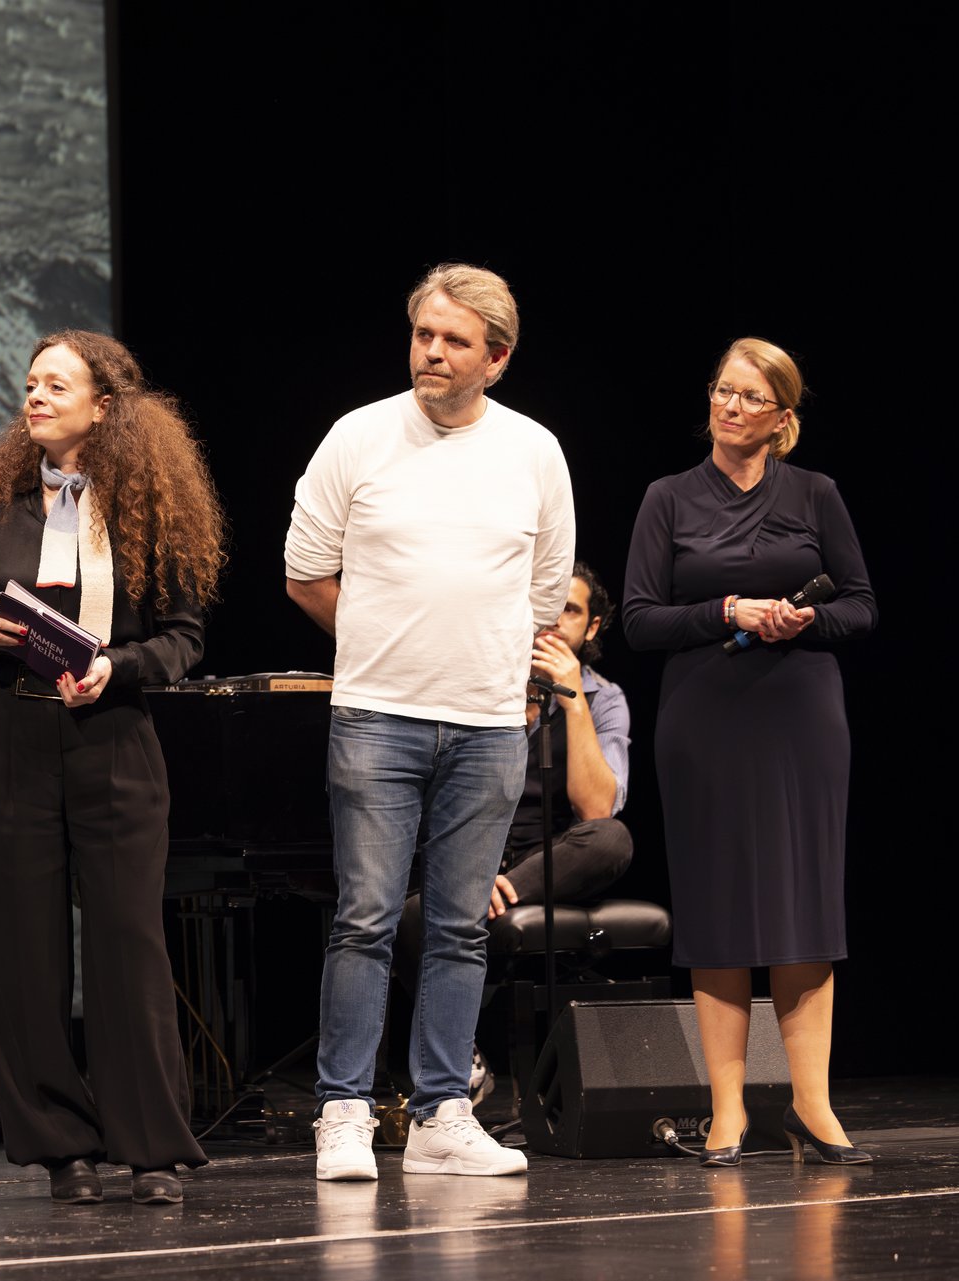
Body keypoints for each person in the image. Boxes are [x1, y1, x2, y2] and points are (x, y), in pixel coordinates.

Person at [285, 262, 574, 1180]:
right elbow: (303, 570)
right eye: (423, 335)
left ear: (497, 355)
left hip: (489, 723)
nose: (433, 353)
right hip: (377, 715)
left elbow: (543, 589)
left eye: (453, 340)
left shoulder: (535, 451)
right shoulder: (359, 437)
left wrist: (486, 662)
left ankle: (445, 1109)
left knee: (458, 926)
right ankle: (343, 1111)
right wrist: (379, 638)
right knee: (366, 917)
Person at [0, 330, 225, 1206]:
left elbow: (184, 637)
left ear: (103, 404)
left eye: (54, 385)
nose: (33, 396)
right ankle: (59, 1143)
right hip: (9, 743)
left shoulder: (147, 502)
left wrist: (120, 668)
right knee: (21, 953)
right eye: (29, 383)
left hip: (112, 741)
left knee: (126, 949)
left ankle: (149, 1148)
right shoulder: (0, 502)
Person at [624, 337, 877, 1167]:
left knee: (804, 904)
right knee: (719, 906)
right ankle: (727, 1109)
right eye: (722, 391)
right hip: (704, 718)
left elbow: (862, 606)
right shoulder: (667, 498)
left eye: (749, 398)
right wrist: (726, 608)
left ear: (782, 417)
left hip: (800, 714)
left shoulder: (816, 493)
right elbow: (638, 619)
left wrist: (807, 619)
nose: (730, 407)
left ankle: (812, 1103)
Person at [391, 563, 634, 1098]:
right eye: (543, 608)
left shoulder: (605, 698)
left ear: (591, 629)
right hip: (469, 852)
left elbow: (596, 808)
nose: (551, 623)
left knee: (613, 838)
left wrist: (572, 699)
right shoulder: (474, 682)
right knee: (408, 915)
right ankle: (460, 1052)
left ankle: (493, 895)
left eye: (569, 611)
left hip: (544, 863)